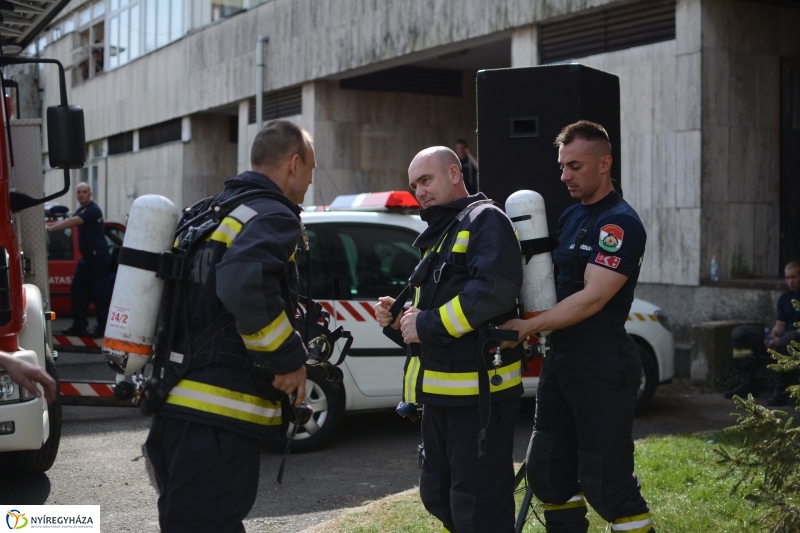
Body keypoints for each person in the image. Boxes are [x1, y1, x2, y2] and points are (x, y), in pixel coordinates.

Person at [144, 119, 313, 533]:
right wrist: (289, 359)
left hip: (174, 406)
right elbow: (241, 283)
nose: (311, 179)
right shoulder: (274, 215)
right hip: (215, 420)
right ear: (294, 164)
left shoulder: (211, 211)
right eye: (311, 168)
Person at [498, 121, 654, 533]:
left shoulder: (619, 224)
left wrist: (530, 328)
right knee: (548, 472)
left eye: (575, 166)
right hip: (561, 361)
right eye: (562, 166)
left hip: (602, 364)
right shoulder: (570, 215)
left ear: (605, 164)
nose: (564, 175)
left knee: (608, 487)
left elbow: (593, 297)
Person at [375, 146, 523, 532]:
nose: (419, 191)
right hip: (439, 399)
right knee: (438, 495)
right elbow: (432, 322)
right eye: (413, 185)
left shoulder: (485, 219)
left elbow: (494, 291)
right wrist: (399, 321)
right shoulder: (441, 233)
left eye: (427, 180)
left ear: (455, 174)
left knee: (478, 509)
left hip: (478, 400)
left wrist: (425, 324)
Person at [724, 260, 800, 406]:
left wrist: (782, 339)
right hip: (783, 340)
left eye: (794, 277)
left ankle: (781, 391)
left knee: (788, 340)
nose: (790, 281)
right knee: (740, 334)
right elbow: (779, 326)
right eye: (787, 278)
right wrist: (772, 337)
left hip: (794, 342)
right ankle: (748, 383)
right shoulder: (785, 298)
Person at [47, 183, 112, 338]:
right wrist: (49, 225)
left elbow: (72, 222)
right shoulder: (82, 210)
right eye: (79, 192)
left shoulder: (93, 210)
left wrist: (50, 229)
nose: (82, 194)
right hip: (87, 259)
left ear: (90, 194)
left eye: (85, 192)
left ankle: (103, 328)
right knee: (77, 290)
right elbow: (70, 219)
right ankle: (79, 326)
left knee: (99, 294)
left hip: (97, 258)